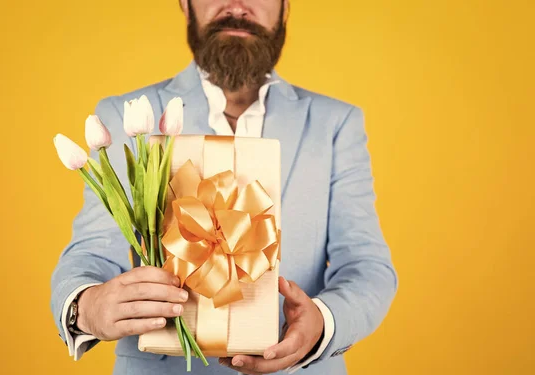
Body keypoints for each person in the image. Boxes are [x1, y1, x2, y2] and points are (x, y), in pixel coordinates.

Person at [50, 1, 398, 374]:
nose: (238, 5)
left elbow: (366, 265)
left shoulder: (335, 124)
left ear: (285, 7)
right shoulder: (129, 115)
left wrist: (323, 323)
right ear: (185, 4)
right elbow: (91, 253)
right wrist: (87, 307)